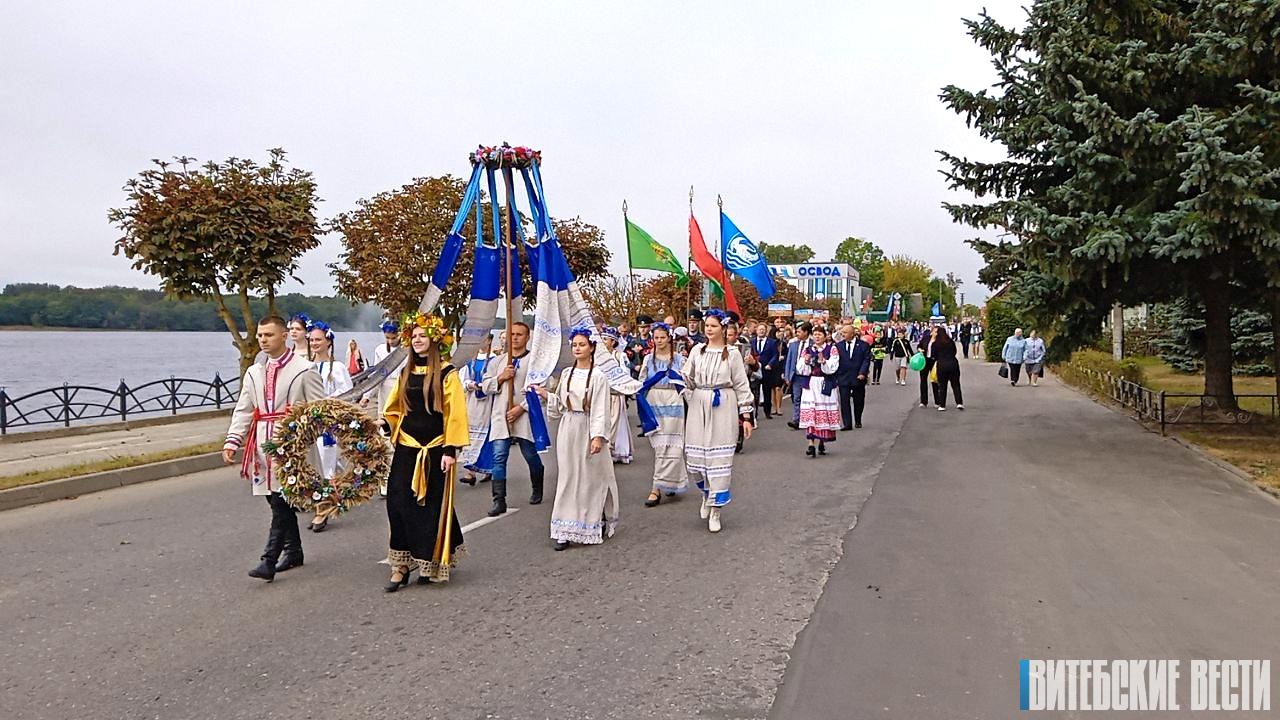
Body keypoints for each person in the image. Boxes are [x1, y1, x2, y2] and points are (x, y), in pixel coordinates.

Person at [222, 315, 324, 582]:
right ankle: (294, 551)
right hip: (262, 446)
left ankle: (268, 560)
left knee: (281, 501)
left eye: (268, 335)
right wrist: (233, 440)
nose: (263, 340)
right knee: (274, 500)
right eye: (259, 336)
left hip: (291, 447)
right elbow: (244, 408)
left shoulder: (304, 369)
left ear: (284, 336)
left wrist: (302, 433)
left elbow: (319, 411)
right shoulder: (255, 372)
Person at [380, 314, 468, 590]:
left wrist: (450, 450)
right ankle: (401, 565)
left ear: (434, 339)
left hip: (435, 449)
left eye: (422, 335)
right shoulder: (406, 372)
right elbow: (395, 408)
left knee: (429, 507)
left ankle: (429, 560)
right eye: (414, 336)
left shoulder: (446, 372)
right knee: (397, 503)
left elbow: (455, 414)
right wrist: (385, 422)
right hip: (407, 447)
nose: (417, 340)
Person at [536, 328, 620, 550]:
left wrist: (598, 437)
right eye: (574, 345)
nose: (578, 348)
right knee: (568, 476)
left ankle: (592, 520)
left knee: (590, 478)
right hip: (569, 427)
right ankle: (564, 529)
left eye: (582, 344)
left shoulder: (599, 377)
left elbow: (601, 409)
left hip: (588, 426)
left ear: (591, 347)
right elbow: (562, 404)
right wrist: (545, 395)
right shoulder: (567, 374)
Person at [681, 309, 754, 533]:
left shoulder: (731, 353)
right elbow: (687, 378)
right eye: (707, 326)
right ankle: (706, 493)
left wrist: (746, 416)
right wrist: (681, 383)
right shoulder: (697, 350)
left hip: (723, 405)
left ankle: (716, 509)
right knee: (695, 460)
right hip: (698, 404)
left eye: (713, 326)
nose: (708, 329)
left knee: (718, 461)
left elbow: (741, 385)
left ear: (723, 328)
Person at [480, 321, 543, 516]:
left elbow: (540, 389)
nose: (514, 338)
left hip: (523, 415)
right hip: (501, 415)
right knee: (499, 457)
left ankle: (537, 485)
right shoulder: (497, 362)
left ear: (527, 337)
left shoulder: (534, 362)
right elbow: (485, 386)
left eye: (519, 334)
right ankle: (499, 500)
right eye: (512, 334)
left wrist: (521, 408)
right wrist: (500, 378)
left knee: (530, 455)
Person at [306, 321, 353, 532]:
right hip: (309, 424)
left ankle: (322, 511)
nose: (314, 343)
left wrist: (326, 403)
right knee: (313, 467)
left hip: (327, 425)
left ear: (328, 341)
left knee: (327, 465)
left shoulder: (338, 367)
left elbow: (347, 394)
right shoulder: (306, 366)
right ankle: (325, 501)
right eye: (312, 339)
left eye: (318, 339)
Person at [638, 323, 688, 506]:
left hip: (673, 401)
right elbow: (641, 382)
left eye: (662, 337)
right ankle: (663, 484)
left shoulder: (679, 359)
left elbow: (686, 381)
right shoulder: (648, 359)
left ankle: (658, 487)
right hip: (654, 401)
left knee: (673, 446)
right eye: (656, 338)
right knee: (659, 446)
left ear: (669, 338)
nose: (659, 341)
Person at [797, 325, 841, 457]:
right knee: (812, 412)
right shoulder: (808, 350)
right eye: (815, 334)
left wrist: (824, 362)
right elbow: (800, 369)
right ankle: (811, 443)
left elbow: (833, 367)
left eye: (819, 334)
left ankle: (821, 440)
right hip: (811, 383)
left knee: (823, 412)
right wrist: (805, 362)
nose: (817, 337)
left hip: (825, 383)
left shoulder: (831, 349)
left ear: (825, 335)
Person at [457, 334, 495, 485]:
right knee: (470, 435)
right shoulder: (470, 360)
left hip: (488, 402)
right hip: (472, 402)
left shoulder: (494, 360)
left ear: (490, 340)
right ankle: (470, 472)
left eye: (484, 339)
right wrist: (469, 384)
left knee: (486, 436)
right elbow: (462, 379)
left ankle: (488, 469)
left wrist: (485, 386)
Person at [602, 327, 634, 464]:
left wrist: (616, 383)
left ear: (613, 341)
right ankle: (605, 449)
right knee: (604, 421)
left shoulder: (620, 356)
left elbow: (625, 374)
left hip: (615, 394)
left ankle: (616, 448)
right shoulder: (598, 358)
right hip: (603, 395)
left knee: (615, 421)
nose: (603, 342)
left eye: (605, 339)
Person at [835, 323, 872, 430]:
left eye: (845, 333)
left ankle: (858, 419)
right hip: (843, 377)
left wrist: (862, 373)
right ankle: (847, 423)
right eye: (842, 333)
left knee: (859, 400)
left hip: (858, 377)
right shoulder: (838, 346)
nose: (843, 335)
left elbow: (866, 360)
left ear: (852, 334)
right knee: (844, 401)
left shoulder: (863, 345)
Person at [784, 322, 812, 429]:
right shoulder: (793, 345)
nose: (797, 334)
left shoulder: (813, 344)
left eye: (799, 332)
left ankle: (808, 419)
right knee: (797, 398)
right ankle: (796, 420)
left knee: (808, 399)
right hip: (796, 376)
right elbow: (789, 360)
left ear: (806, 332)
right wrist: (787, 376)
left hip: (808, 376)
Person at [930, 326, 964, 411]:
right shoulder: (950, 341)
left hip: (942, 365)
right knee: (956, 384)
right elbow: (955, 351)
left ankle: (942, 405)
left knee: (942, 386)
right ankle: (959, 403)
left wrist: (932, 341)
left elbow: (932, 355)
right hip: (953, 363)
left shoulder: (936, 343)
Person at [751, 323, 780, 419]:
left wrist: (770, 364)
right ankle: (754, 414)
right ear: (756, 330)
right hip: (755, 370)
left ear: (766, 331)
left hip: (766, 369)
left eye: (763, 329)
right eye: (760, 329)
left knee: (767, 391)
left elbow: (775, 355)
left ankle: (767, 411)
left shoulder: (772, 342)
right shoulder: (752, 341)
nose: (761, 331)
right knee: (755, 392)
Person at [917, 330, 937, 408]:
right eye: (934, 331)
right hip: (924, 360)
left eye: (936, 332)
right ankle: (923, 401)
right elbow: (919, 345)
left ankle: (937, 401)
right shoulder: (926, 338)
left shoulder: (939, 341)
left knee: (934, 380)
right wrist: (920, 349)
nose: (935, 333)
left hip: (933, 361)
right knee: (923, 380)